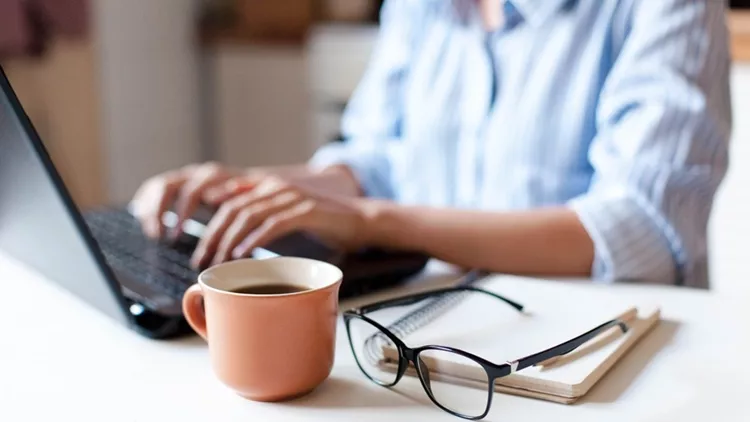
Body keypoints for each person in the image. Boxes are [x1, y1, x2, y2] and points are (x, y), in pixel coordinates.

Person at [131, 0, 732, 289]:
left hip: (601, 355)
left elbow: (642, 230)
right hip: (437, 333)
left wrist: (375, 222)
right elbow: (380, 159)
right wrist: (252, 190)